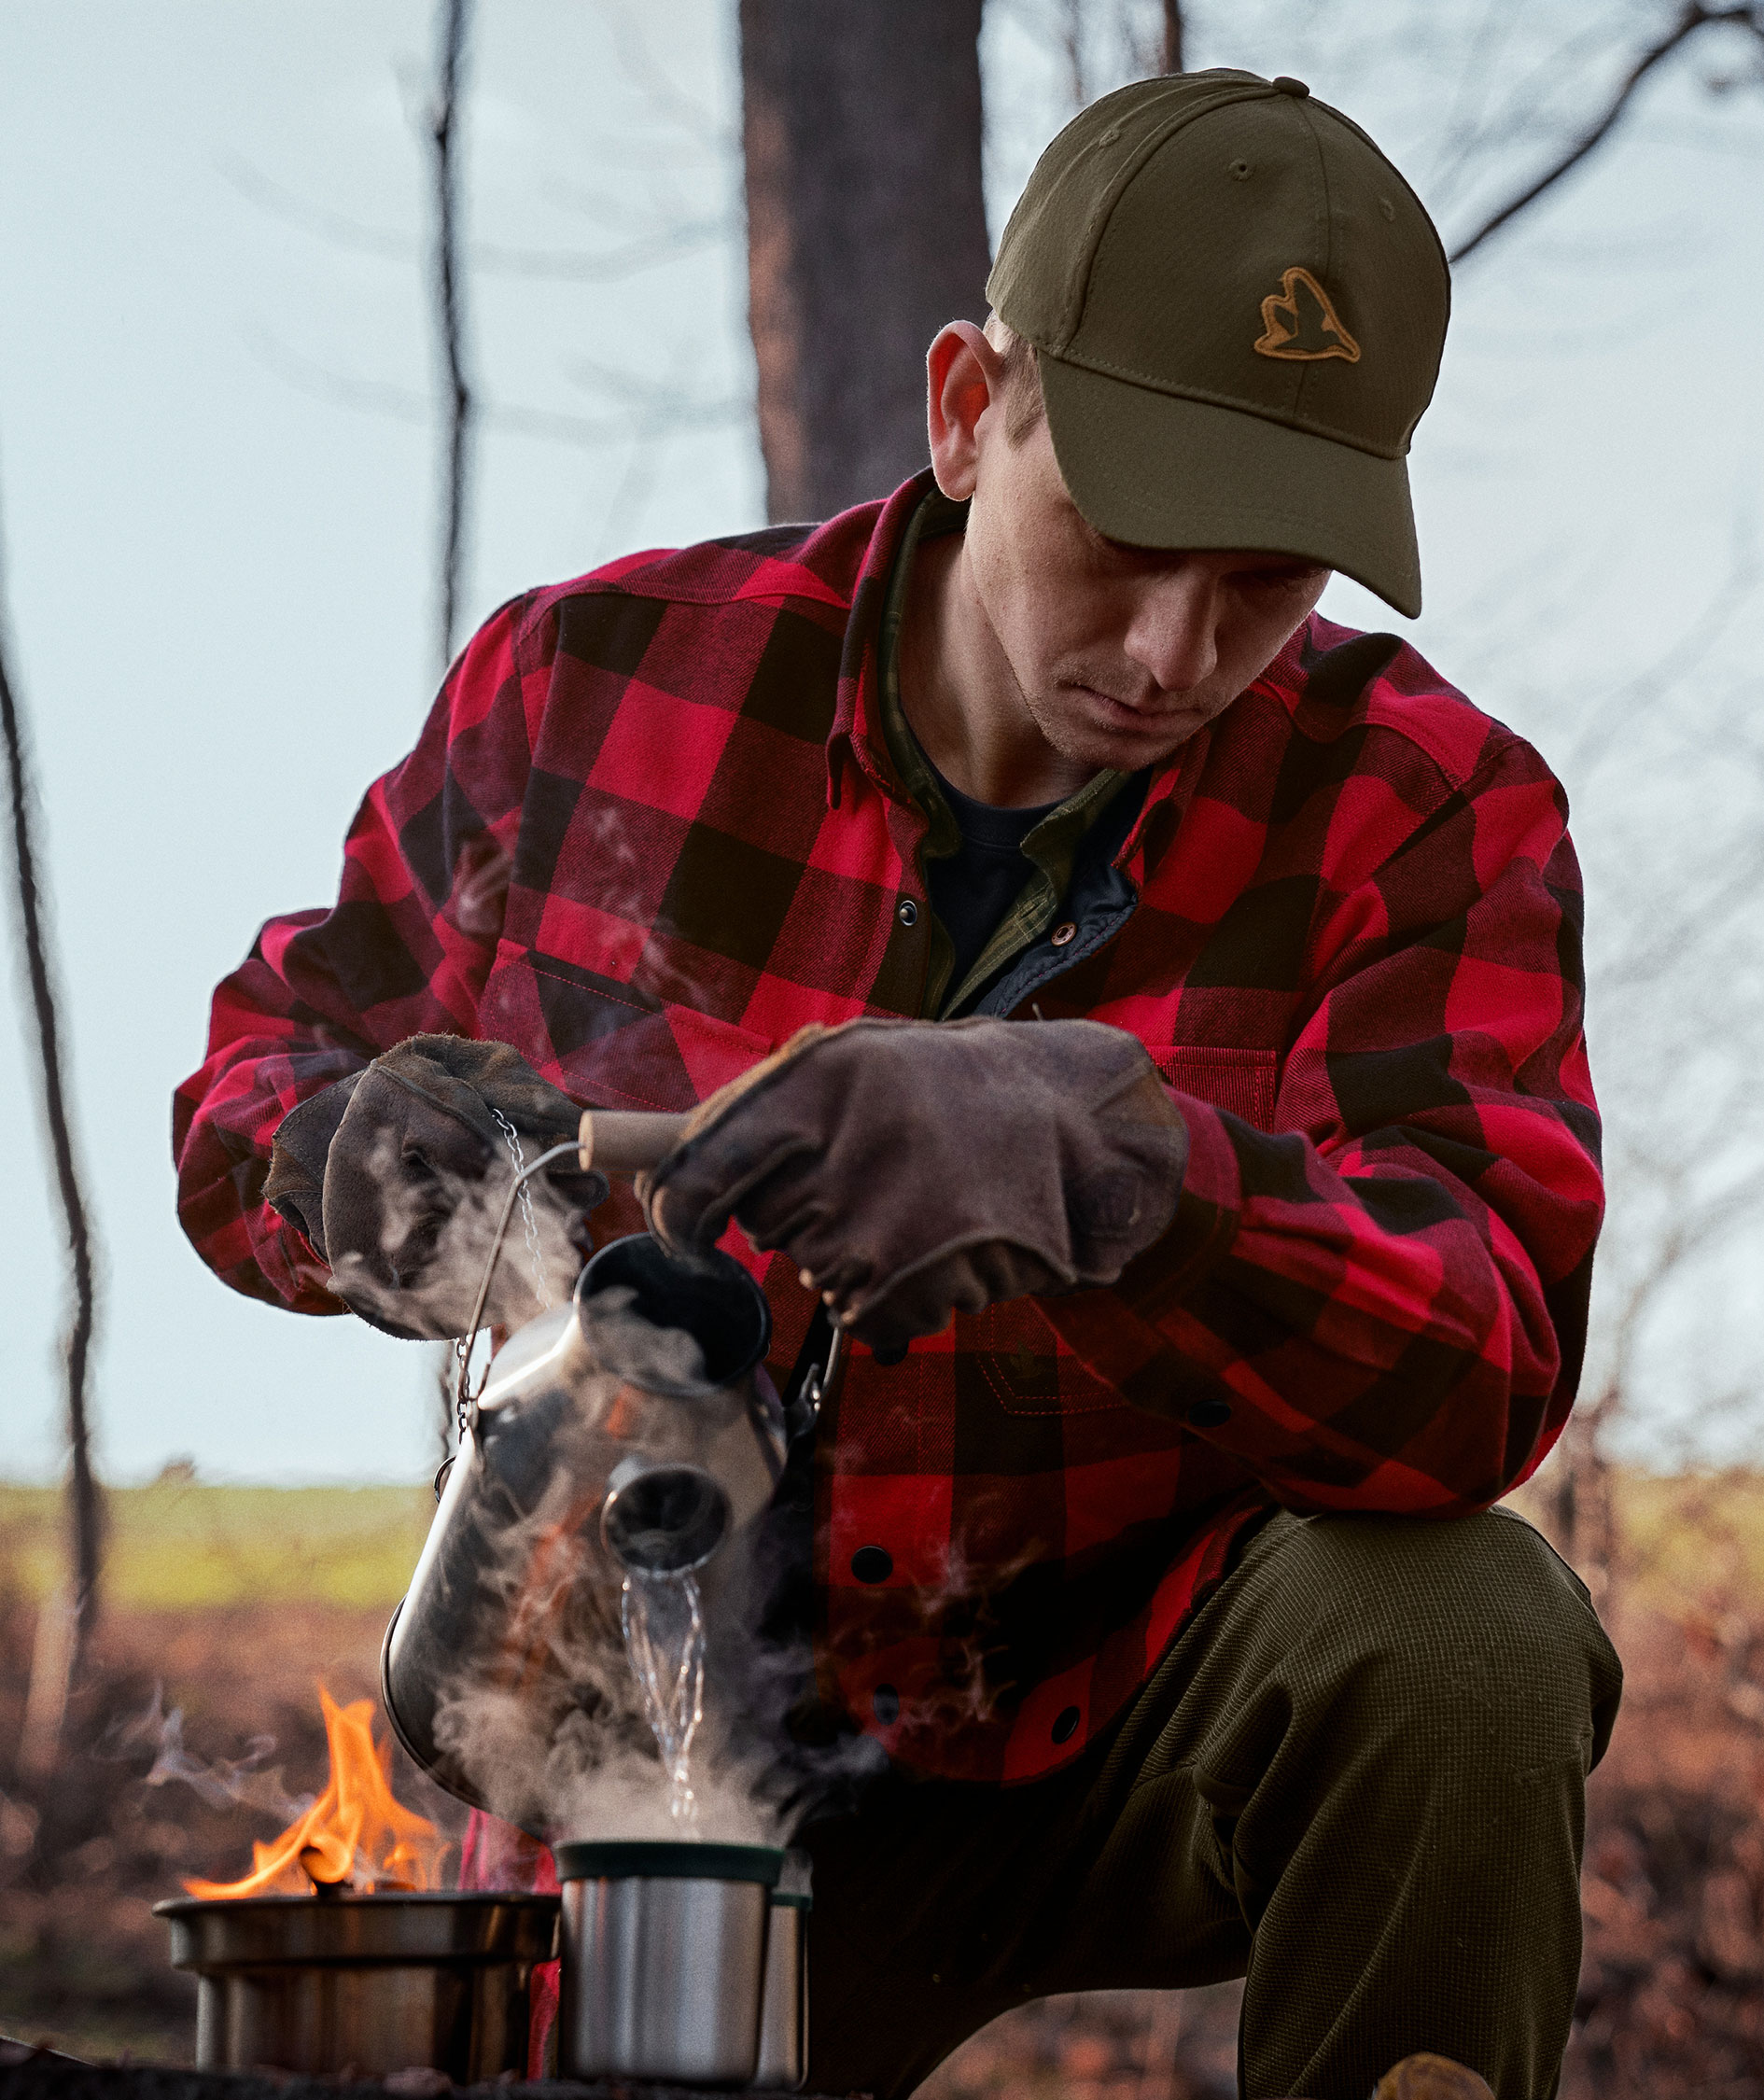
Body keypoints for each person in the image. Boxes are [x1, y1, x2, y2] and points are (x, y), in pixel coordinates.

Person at [175, 69, 1621, 2100]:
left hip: (1140, 1691)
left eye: (1268, 579)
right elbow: (254, 1079)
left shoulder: (1427, 808)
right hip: (669, 1747)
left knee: (1466, 1634)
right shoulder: (590, 689)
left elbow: (1486, 1355)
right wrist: (337, 1157)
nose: (1175, 649)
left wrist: (1129, 1177)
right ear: (966, 408)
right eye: (1127, 537)